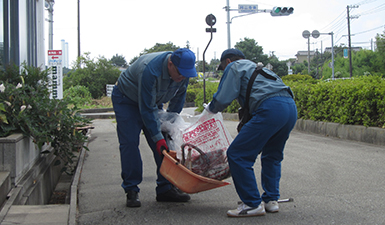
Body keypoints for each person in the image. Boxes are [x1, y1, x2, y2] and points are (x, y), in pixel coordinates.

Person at [205, 49, 297, 217]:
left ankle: (252, 204)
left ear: (227, 62)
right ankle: (271, 200)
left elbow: (223, 98)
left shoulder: (234, 67)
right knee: (272, 155)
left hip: (269, 108)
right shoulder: (260, 68)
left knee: (237, 154)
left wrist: (210, 109)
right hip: (290, 107)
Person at [111, 48, 197, 207]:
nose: (183, 77)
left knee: (166, 145)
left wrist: (170, 125)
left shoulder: (183, 72)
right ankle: (131, 189)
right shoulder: (150, 70)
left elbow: (177, 100)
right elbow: (147, 109)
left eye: (186, 74)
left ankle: (165, 189)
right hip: (127, 100)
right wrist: (157, 137)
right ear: (170, 64)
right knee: (130, 143)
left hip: (152, 101)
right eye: (180, 73)